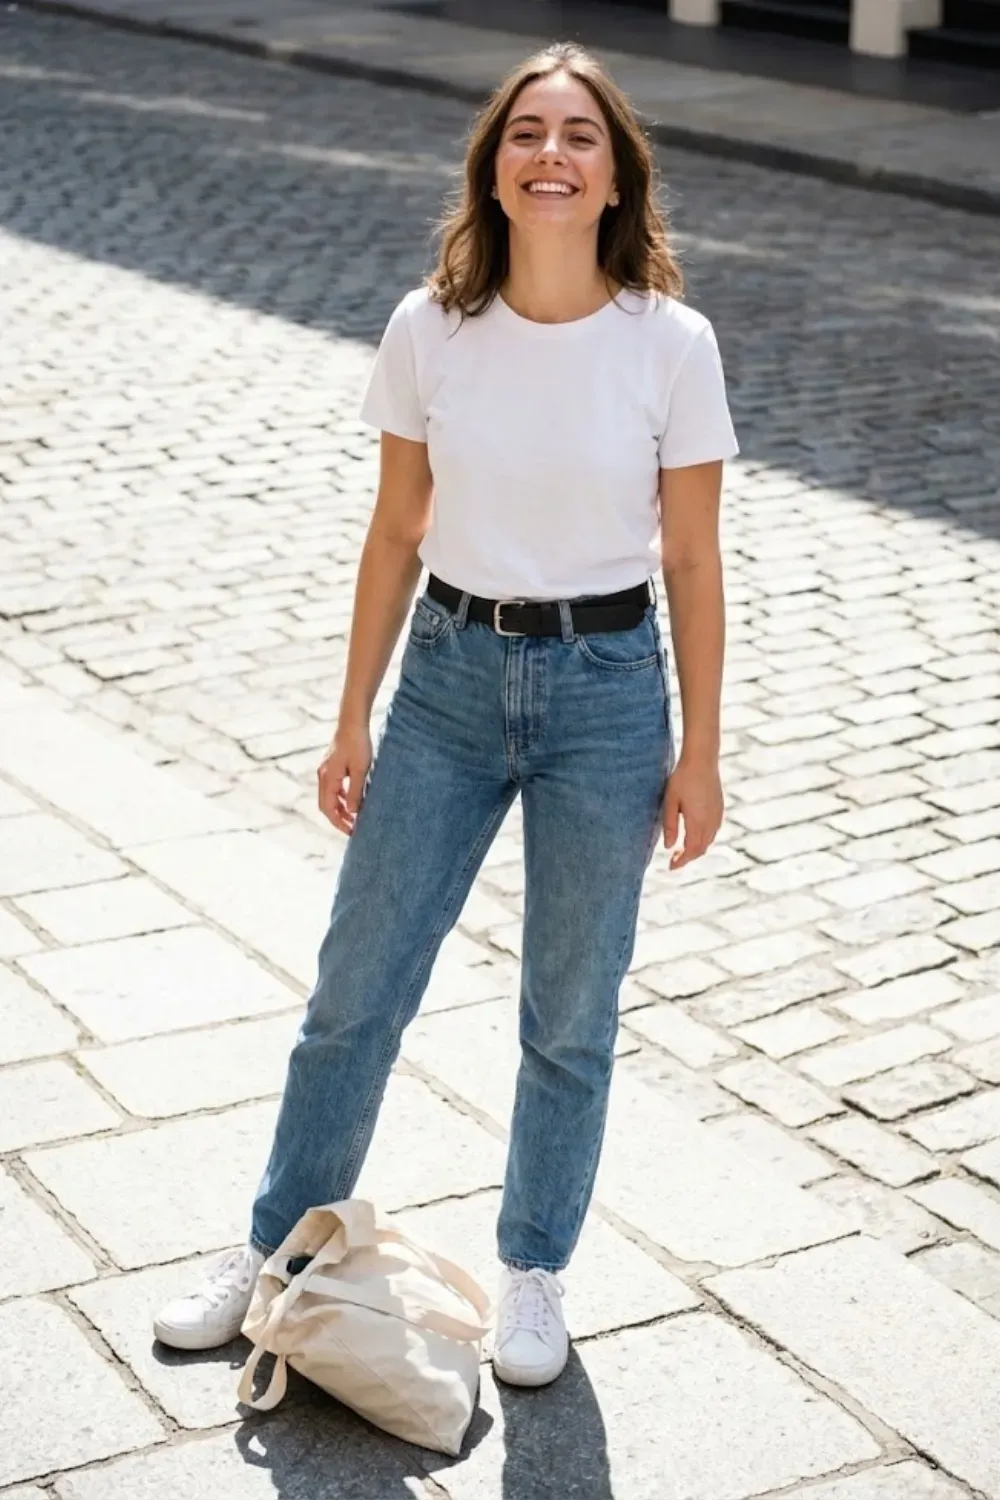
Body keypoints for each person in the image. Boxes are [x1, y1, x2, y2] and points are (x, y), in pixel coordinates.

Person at [153, 40, 737, 1390]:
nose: (551, 155)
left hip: (606, 693)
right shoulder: (431, 328)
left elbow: (694, 561)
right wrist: (350, 716)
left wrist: (700, 750)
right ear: (493, 166)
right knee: (355, 991)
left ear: (615, 178)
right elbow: (395, 530)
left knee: (569, 1012)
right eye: (526, 132)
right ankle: (275, 1249)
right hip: (449, 681)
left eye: (579, 136)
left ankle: (533, 1270)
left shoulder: (672, 344)